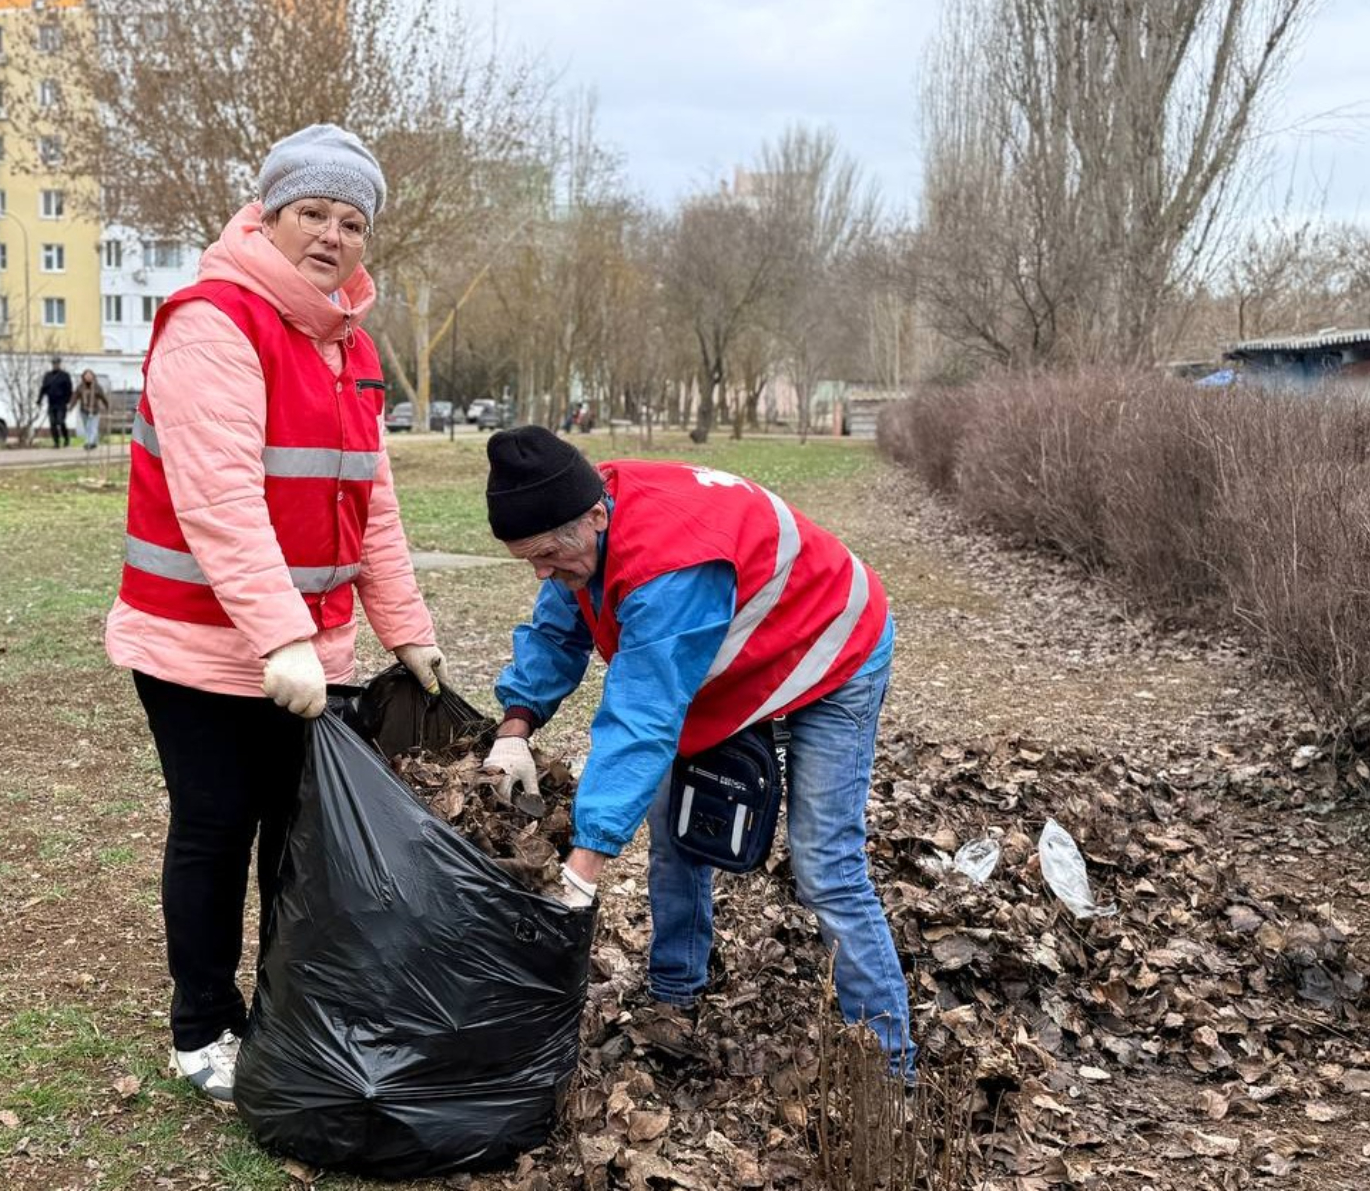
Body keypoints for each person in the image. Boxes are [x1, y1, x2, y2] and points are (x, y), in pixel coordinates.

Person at [105, 123, 447, 1103]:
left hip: (309, 652)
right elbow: (219, 501)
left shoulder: (350, 347)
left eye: (352, 221)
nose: (333, 236)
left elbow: (368, 504)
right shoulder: (217, 320)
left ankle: (279, 1008)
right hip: (198, 646)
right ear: (267, 214)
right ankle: (202, 1026)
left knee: (292, 841)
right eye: (313, 213)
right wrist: (283, 636)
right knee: (217, 828)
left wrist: (406, 630)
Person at [479, 427, 912, 1077]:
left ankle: (891, 1065)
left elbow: (641, 719)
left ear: (596, 516)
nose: (543, 571)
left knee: (826, 863)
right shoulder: (578, 517)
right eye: (529, 560)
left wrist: (584, 865)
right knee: (674, 828)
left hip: (832, 647)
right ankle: (675, 995)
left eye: (545, 554)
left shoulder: (670, 564)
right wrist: (516, 725)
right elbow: (556, 627)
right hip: (730, 654)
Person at [38, 356, 73, 448]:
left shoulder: (65, 376)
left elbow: (69, 389)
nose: (55, 365)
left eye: (57, 363)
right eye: (54, 363)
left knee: (60, 421)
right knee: (52, 423)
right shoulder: (48, 376)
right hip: (51, 403)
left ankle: (66, 439)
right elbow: (43, 388)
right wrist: (39, 400)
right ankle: (56, 442)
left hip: (61, 403)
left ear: (59, 364)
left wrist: (67, 400)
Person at [74, 369, 109, 450]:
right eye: (87, 376)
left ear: (93, 377)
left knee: (93, 427)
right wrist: (70, 407)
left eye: (90, 375)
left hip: (95, 411)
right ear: (84, 377)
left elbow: (103, 397)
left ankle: (88, 443)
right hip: (83, 411)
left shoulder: (97, 387)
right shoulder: (80, 387)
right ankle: (94, 443)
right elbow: (75, 397)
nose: (88, 377)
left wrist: (107, 405)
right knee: (87, 427)